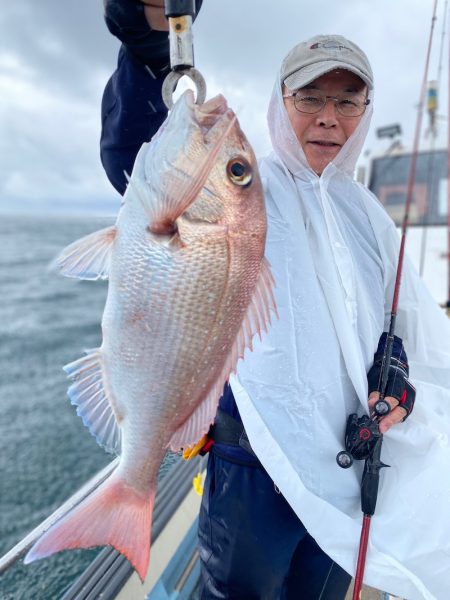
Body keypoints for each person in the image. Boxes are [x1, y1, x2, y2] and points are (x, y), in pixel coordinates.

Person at [101, 3, 450, 600]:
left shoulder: (367, 214)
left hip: (347, 465)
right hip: (255, 465)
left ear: (364, 113)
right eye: (310, 97)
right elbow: (138, 155)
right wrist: (150, 33)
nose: (328, 118)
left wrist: (399, 372)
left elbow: (400, 320)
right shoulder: (248, 182)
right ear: (281, 103)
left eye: (346, 101)